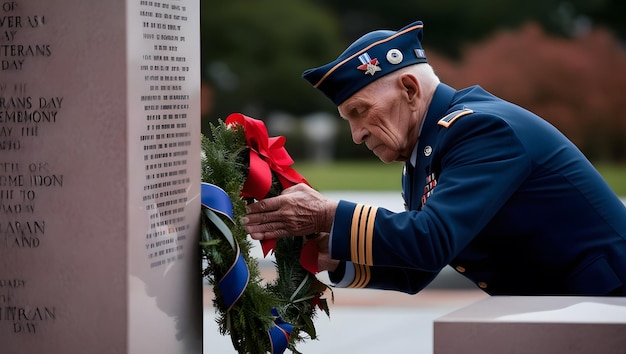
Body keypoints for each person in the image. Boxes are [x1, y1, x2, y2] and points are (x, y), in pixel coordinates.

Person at [242, 20, 626, 296]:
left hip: (606, 301)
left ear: (409, 88)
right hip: (574, 305)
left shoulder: (480, 130)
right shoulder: (424, 150)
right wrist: (335, 254)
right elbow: (418, 267)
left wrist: (328, 213)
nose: (357, 135)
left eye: (360, 112)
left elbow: (433, 241)